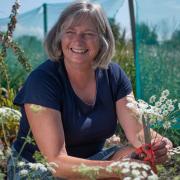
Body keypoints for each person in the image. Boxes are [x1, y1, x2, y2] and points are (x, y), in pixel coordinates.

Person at [7, 1, 172, 179]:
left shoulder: (113, 75)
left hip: (92, 161)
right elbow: (57, 163)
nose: (78, 41)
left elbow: (138, 133)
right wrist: (116, 169)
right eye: (70, 32)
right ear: (59, 36)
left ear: (103, 40)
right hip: (39, 169)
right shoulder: (43, 81)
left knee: (139, 158)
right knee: (128, 168)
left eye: (88, 34)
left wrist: (158, 145)